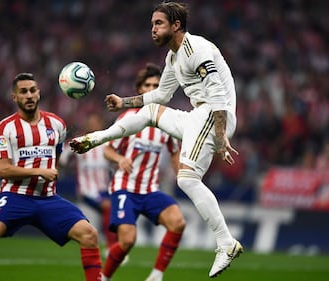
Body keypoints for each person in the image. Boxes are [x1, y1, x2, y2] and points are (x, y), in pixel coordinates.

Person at [70, 1, 243, 278]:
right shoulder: (173, 58)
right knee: (150, 113)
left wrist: (221, 136)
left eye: (158, 23)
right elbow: (160, 96)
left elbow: (219, 96)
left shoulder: (195, 49)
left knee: (186, 179)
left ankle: (225, 242)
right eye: (152, 24)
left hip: (213, 114)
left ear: (176, 26)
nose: (152, 29)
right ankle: (97, 138)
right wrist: (123, 102)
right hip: (199, 115)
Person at [0, 73, 102, 281]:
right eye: (23, 92)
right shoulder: (5, 128)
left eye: (32, 90)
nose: (29, 95)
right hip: (16, 196)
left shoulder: (57, 124)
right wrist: (39, 171)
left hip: (48, 199)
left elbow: (55, 157)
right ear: (15, 97)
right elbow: (3, 170)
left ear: (39, 93)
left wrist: (47, 173)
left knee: (89, 234)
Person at [101, 63, 185, 281]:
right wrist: (120, 159)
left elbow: (175, 153)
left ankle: (156, 276)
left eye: (156, 86)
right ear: (140, 89)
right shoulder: (128, 117)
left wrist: (184, 177)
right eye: (147, 85)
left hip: (149, 191)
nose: (151, 89)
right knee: (128, 240)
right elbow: (107, 150)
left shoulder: (169, 121)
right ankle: (103, 277)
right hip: (125, 189)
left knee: (178, 223)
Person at [59, 113, 119, 254]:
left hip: (104, 190)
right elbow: (62, 158)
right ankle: (110, 247)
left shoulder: (106, 144)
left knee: (117, 209)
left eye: (96, 122)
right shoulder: (78, 142)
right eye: (91, 122)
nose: (93, 125)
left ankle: (115, 245)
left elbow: (113, 164)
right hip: (87, 190)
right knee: (108, 207)